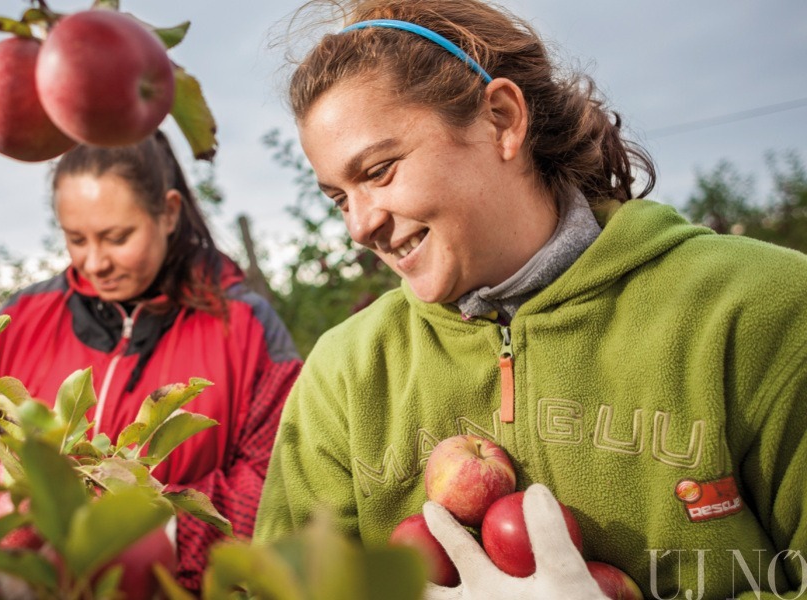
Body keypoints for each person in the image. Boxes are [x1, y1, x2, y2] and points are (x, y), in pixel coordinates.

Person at [254, 1, 806, 598]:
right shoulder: (346, 375)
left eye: (381, 170)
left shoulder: (759, 308)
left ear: (501, 119)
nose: (359, 226)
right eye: (338, 197)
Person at [0, 131, 302, 591]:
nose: (95, 262)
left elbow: (277, 480)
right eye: (76, 239)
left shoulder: (245, 326)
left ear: (167, 213)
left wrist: (151, 533)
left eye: (116, 237)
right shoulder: (20, 319)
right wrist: (2, 509)